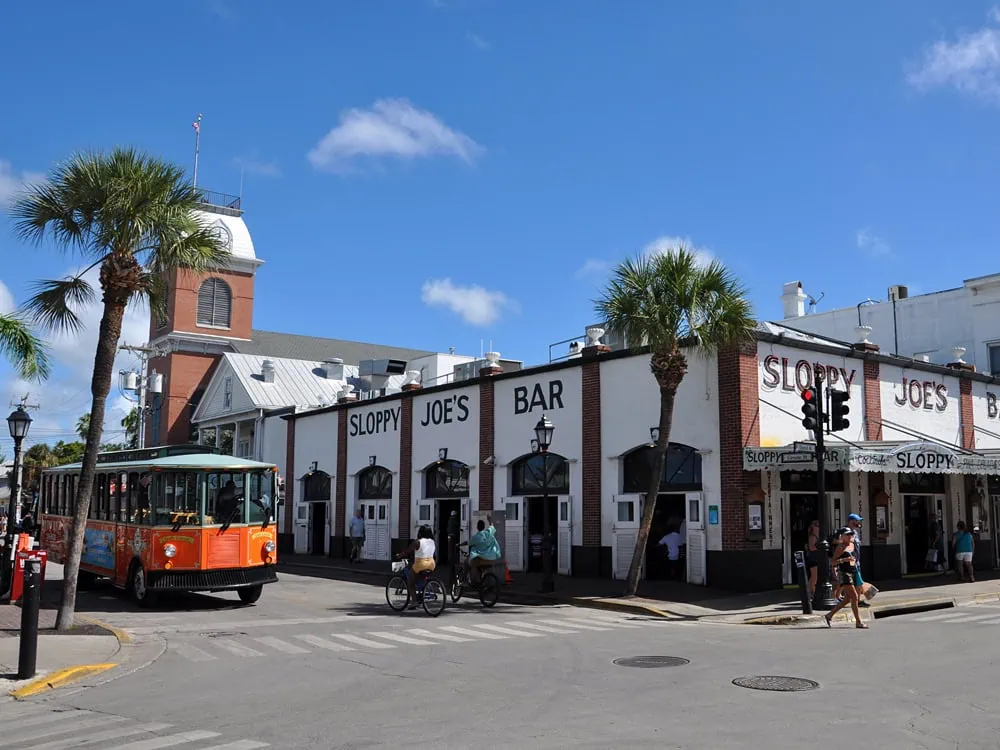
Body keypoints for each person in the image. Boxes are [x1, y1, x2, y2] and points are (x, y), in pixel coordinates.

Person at [825, 527, 868, 629]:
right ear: (842, 536)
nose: (850, 536)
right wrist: (844, 560)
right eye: (847, 535)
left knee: (848, 599)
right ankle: (858, 622)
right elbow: (833, 562)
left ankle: (829, 615)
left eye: (851, 534)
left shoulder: (853, 545)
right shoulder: (841, 547)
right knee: (854, 597)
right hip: (845, 573)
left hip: (854, 572)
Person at [395, 525, 436, 608]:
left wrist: (400, 555)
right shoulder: (432, 541)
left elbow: (407, 551)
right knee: (420, 578)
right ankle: (422, 591)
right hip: (432, 564)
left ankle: (414, 602)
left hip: (421, 564)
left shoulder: (418, 542)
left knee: (410, 582)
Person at [846, 513, 879, 605]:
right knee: (851, 583)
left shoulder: (855, 532)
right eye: (856, 521)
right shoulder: (846, 532)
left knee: (857, 582)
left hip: (856, 561)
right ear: (851, 521)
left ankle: (857, 600)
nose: (858, 523)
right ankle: (849, 600)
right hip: (849, 562)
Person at [468, 515, 501, 585]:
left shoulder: (476, 537)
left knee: (469, 562)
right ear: (484, 527)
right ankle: (482, 581)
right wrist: (489, 519)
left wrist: (459, 544)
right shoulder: (488, 533)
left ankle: (471, 580)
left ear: (477, 527)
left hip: (481, 559)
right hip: (491, 559)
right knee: (482, 569)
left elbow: (468, 543)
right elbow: (492, 526)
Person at [805, 520, 820, 597]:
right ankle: (814, 593)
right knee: (815, 577)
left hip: (816, 557)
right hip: (814, 558)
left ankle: (808, 592)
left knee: (813, 576)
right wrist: (820, 548)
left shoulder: (816, 536)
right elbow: (812, 548)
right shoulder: (813, 536)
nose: (819, 528)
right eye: (817, 526)